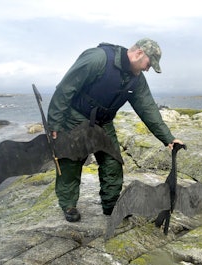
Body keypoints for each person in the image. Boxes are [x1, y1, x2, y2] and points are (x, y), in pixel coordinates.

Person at [47, 38, 183, 222]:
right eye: (148, 64)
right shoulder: (98, 59)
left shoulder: (136, 81)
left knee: (113, 163)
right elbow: (65, 89)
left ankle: (110, 205)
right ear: (139, 54)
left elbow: (148, 109)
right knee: (70, 163)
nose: (147, 69)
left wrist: (168, 138)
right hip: (75, 118)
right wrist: (55, 122)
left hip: (104, 123)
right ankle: (69, 204)